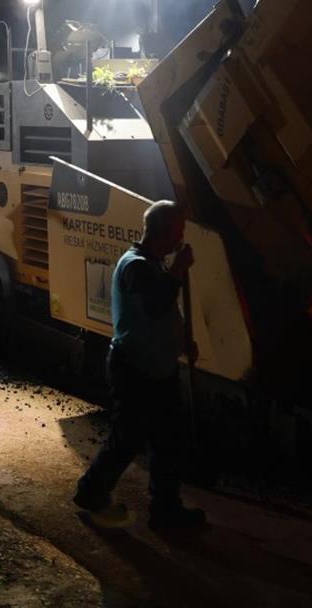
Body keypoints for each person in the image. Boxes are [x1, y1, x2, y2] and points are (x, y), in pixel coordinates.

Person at [73, 200, 206, 532]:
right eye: (179, 231)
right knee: (127, 439)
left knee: (166, 441)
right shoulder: (135, 266)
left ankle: (165, 510)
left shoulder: (153, 264)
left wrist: (181, 341)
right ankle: (91, 492)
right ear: (166, 233)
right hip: (135, 369)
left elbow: (163, 313)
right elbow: (154, 306)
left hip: (157, 368)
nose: (181, 238)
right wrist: (179, 269)